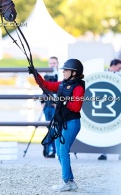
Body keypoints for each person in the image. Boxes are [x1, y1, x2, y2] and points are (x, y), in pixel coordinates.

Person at [29, 59, 85, 192]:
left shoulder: (78, 87)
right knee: (60, 153)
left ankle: (66, 181)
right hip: (61, 122)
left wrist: (63, 101)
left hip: (71, 123)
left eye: (66, 70)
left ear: (74, 72)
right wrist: (36, 75)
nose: (63, 71)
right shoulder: (62, 84)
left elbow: (76, 107)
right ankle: (70, 181)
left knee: (63, 151)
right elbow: (47, 85)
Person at [98, 58, 121, 161]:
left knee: (118, 130)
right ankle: (103, 153)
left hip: (116, 106)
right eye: (119, 68)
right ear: (113, 66)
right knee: (104, 131)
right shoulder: (102, 74)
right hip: (103, 107)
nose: (120, 70)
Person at [41, 56, 58, 158]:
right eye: (50, 63)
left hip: (56, 107)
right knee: (49, 128)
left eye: (54, 63)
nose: (52, 65)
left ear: (57, 64)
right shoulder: (46, 76)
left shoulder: (59, 76)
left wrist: (57, 103)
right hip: (47, 106)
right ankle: (49, 150)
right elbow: (43, 90)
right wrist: (42, 102)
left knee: (56, 128)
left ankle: (55, 150)